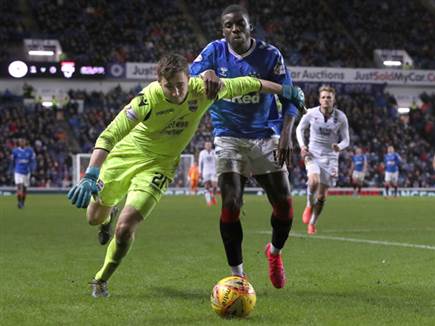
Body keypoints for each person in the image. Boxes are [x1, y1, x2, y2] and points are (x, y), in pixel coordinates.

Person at [66, 53, 305, 297]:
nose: (176, 92)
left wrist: (285, 90)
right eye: (169, 87)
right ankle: (106, 219)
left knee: (126, 228)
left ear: (189, 79)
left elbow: (249, 83)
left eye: (180, 85)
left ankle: (101, 279)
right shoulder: (147, 99)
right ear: (159, 83)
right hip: (124, 158)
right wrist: (91, 174)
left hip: (160, 167)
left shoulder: (203, 90)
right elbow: (109, 134)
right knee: (94, 218)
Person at [190, 4, 304, 289]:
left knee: (285, 207)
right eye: (228, 25)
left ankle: (274, 253)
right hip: (228, 136)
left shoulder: (270, 55)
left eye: (240, 24)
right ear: (223, 29)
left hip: (265, 135)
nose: (234, 30)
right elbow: (190, 73)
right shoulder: (214, 51)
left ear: (251, 27)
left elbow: (291, 96)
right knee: (231, 202)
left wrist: (287, 134)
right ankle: (238, 276)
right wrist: (206, 74)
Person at [296, 85, 350, 235]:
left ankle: (312, 223)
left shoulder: (340, 117)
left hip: (330, 157)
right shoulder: (311, 113)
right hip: (312, 153)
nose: (326, 100)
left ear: (334, 100)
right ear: (320, 99)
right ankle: (308, 205)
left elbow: (346, 140)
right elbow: (299, 129)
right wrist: (302, 146)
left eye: (329, 98)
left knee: (321, 196)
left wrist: (339, 147)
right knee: (313, 181)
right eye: (324, 97)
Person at [10, 138, 36, 208]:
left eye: (23, 142)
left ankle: (23, 202)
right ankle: (19, 202)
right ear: (19, 143)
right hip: (18, 172)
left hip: (26, 172)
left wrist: (33, 168)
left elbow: (33, 161)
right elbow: (12, 161)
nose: (22, 143)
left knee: (24, 189)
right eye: (21, 142)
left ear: (25, 143)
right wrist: (11, 170)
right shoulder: (15, 151)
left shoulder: (30, 151)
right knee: (19, 187)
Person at [198, 141, 217, 206]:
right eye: (207, 145)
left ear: (211, 146)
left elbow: (217, 161)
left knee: (215, 186)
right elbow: (200, 163)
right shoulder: (202, 153)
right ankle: (208, 201)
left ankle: (212, 195)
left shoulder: (214, 152)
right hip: (205, 171)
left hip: (213, 171)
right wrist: (200, 172)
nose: (208, 146)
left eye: (209, 145)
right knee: (206, 186)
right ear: (205, 146)